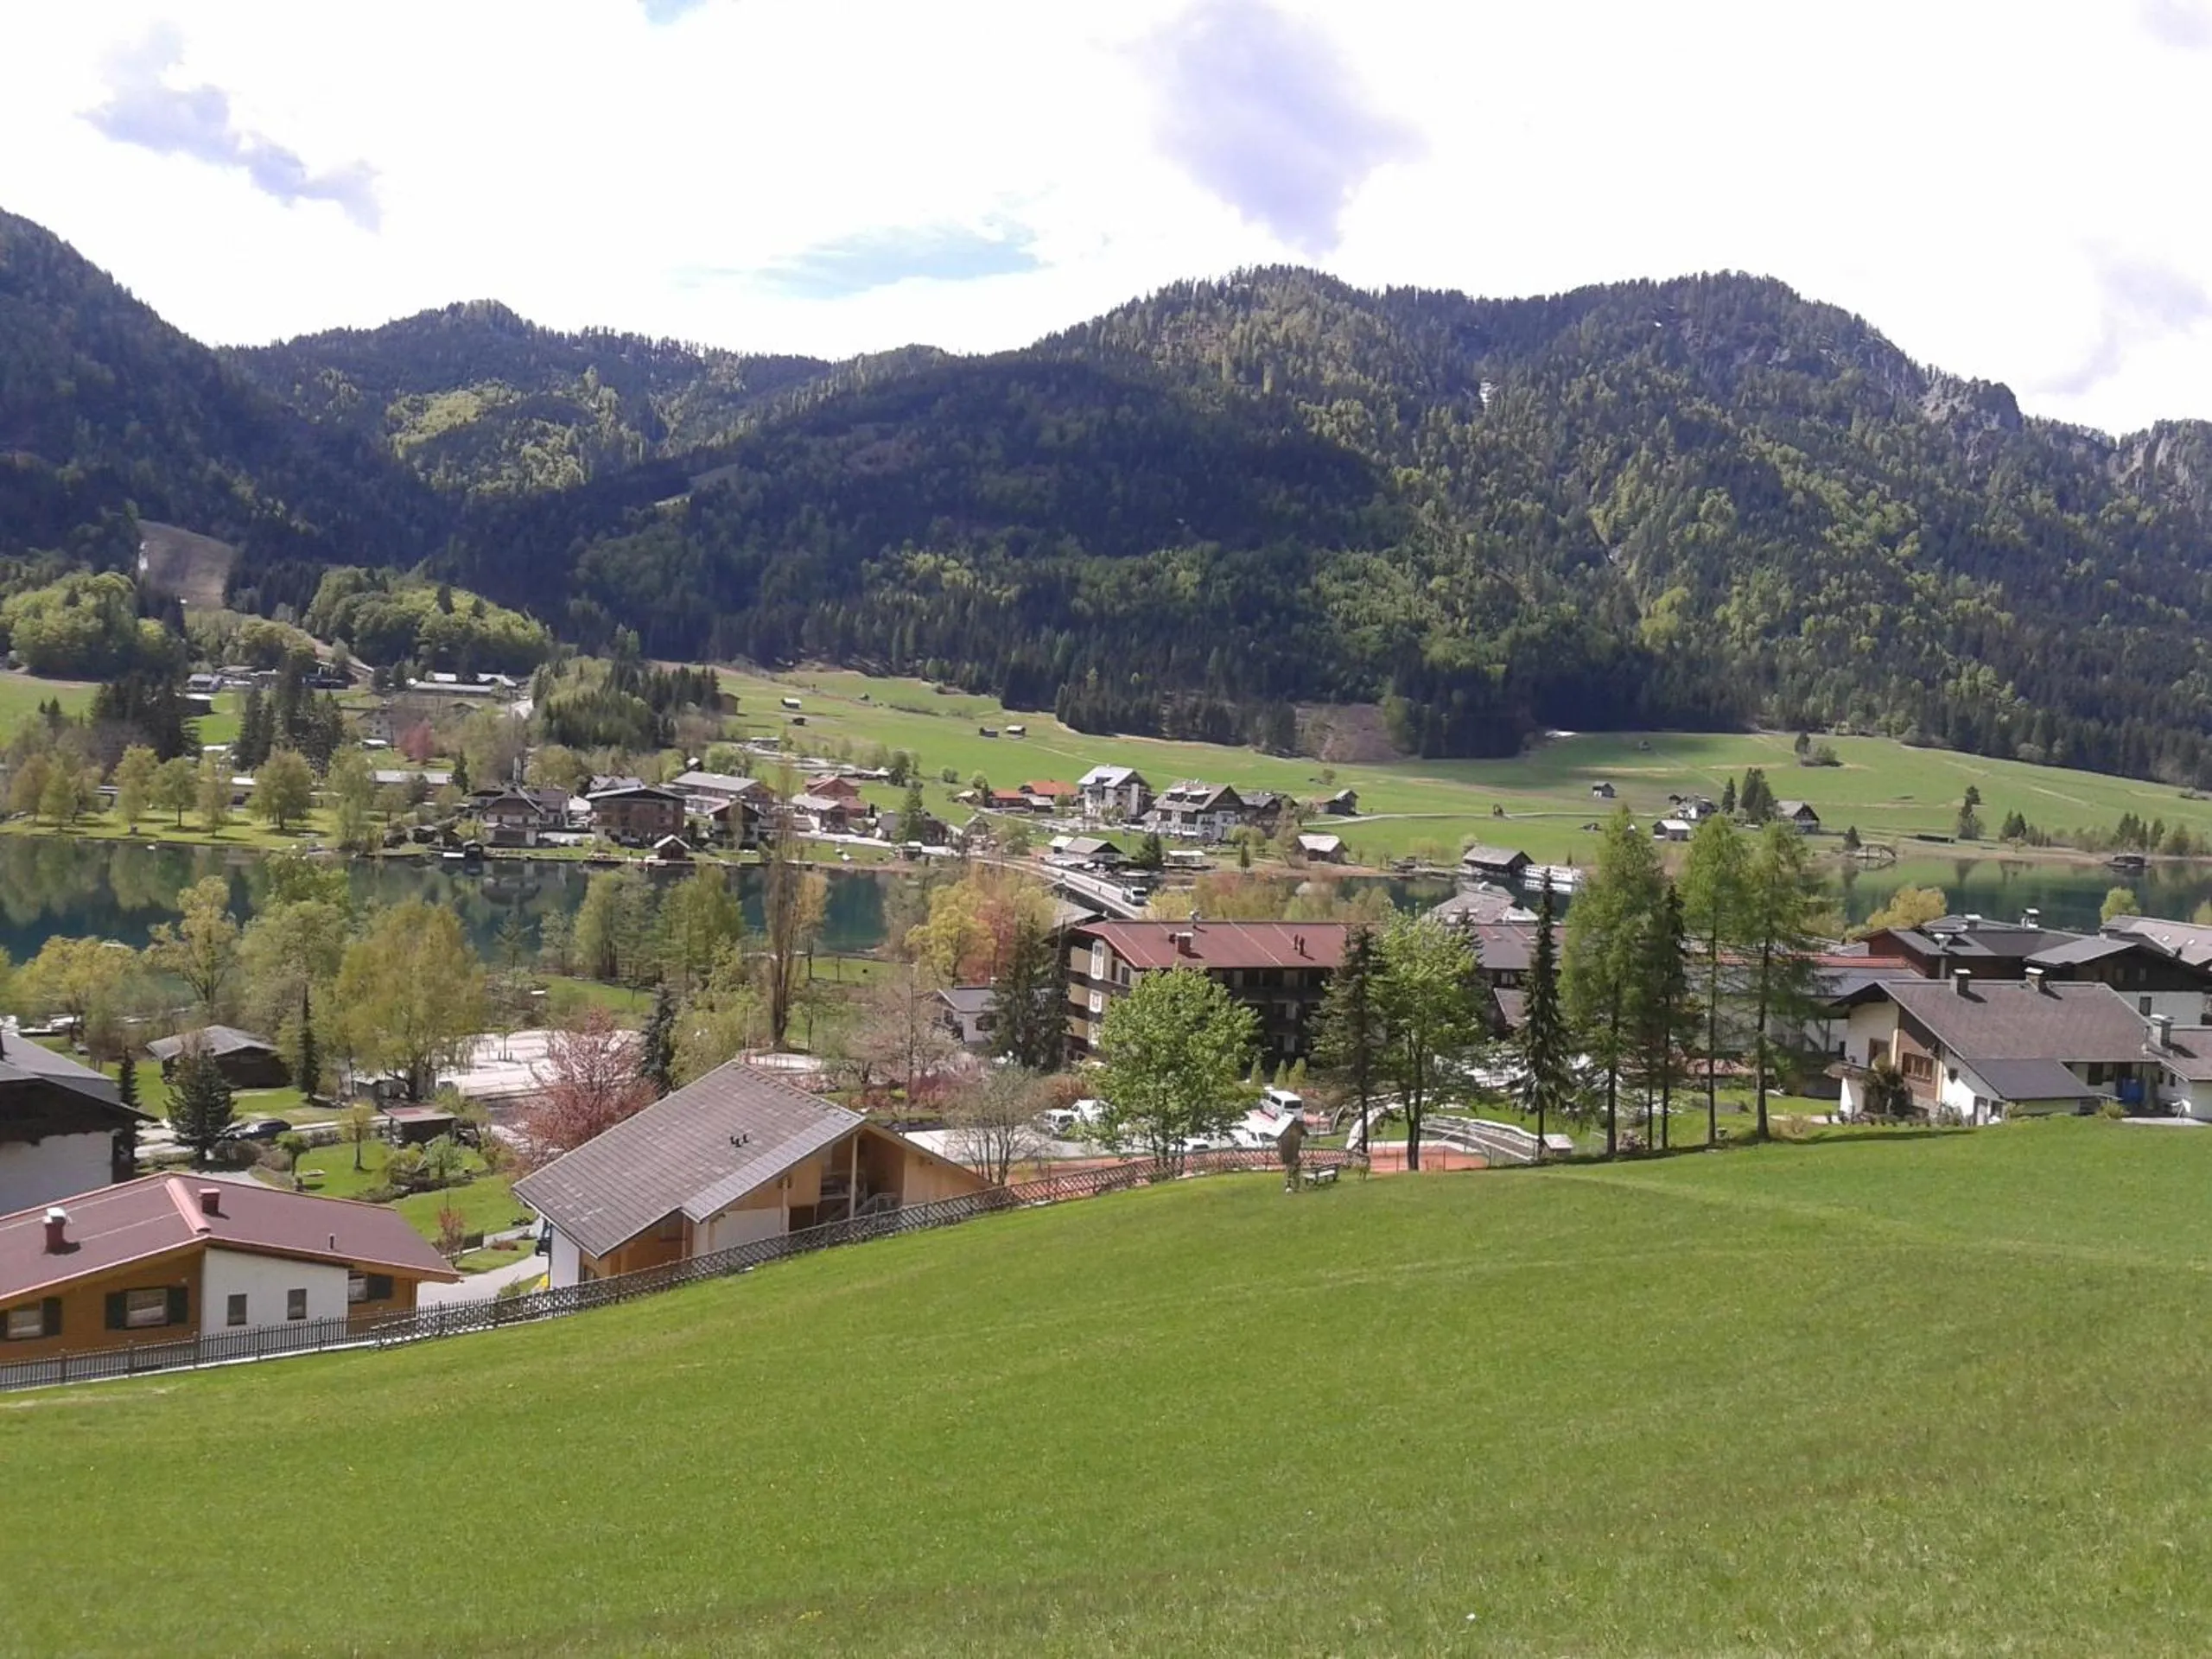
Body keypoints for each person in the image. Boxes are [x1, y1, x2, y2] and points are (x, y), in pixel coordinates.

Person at [1276, 1113, 1306, 1192]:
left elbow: (1305, 1134)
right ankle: (1290, 1186)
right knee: (1291, 1170)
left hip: (1292, 1154)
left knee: (1293, 1170)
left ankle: (1293, 1186)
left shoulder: (1290, 1129)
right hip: (1290, 1154)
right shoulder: (1288, 1130)